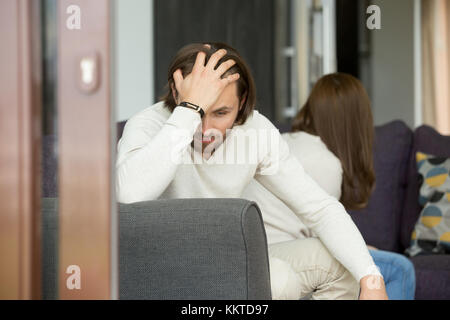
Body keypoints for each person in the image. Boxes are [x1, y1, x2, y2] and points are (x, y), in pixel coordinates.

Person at [116, 42, 388, 300]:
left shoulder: (255, 131)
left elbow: (320, 208)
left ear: (242, 101)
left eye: (221, 113)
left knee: (346, 265)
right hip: (164, 266)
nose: (206, 129)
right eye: (200, 111)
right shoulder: (148, 125)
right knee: (280, 279)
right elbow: (128, 197)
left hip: (229, 258)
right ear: (177, 93)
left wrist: (371, 278)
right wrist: (188, 111)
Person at [242, 73, 415, 300]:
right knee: (400, 268)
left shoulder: (283, 141)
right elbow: (325, 231)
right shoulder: (326, 163)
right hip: (282, 258)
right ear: (357, 121)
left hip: (257, 252)